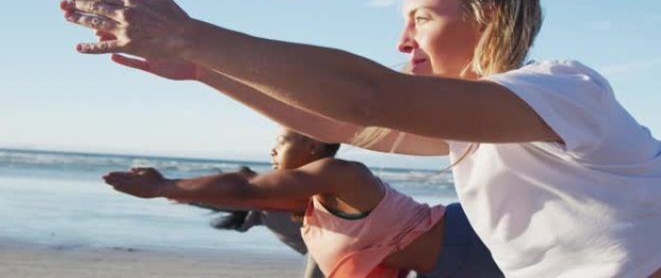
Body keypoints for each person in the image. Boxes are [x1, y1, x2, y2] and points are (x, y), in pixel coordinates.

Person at [61, 0, 661, 277]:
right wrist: (205, 70)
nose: (402, 39)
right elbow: (353, 125)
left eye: (421, 18)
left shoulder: (562, 89)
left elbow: (369, 95)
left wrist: (195, 36)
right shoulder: (479, 130)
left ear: (486, 15)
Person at [103, 127, 502, 277]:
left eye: (280, 142)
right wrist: (177, 193)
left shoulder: (341, 173)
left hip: (477, 240)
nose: (272, 150)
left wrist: (166, 185)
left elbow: (246, 187)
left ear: (312, 144)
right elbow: (240, 195)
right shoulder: (308, 202)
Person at [193, 165, 325, 278]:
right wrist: (181, 194)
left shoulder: (277, 199)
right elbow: (217, 201)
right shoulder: (267, 208)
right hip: (326, 253)